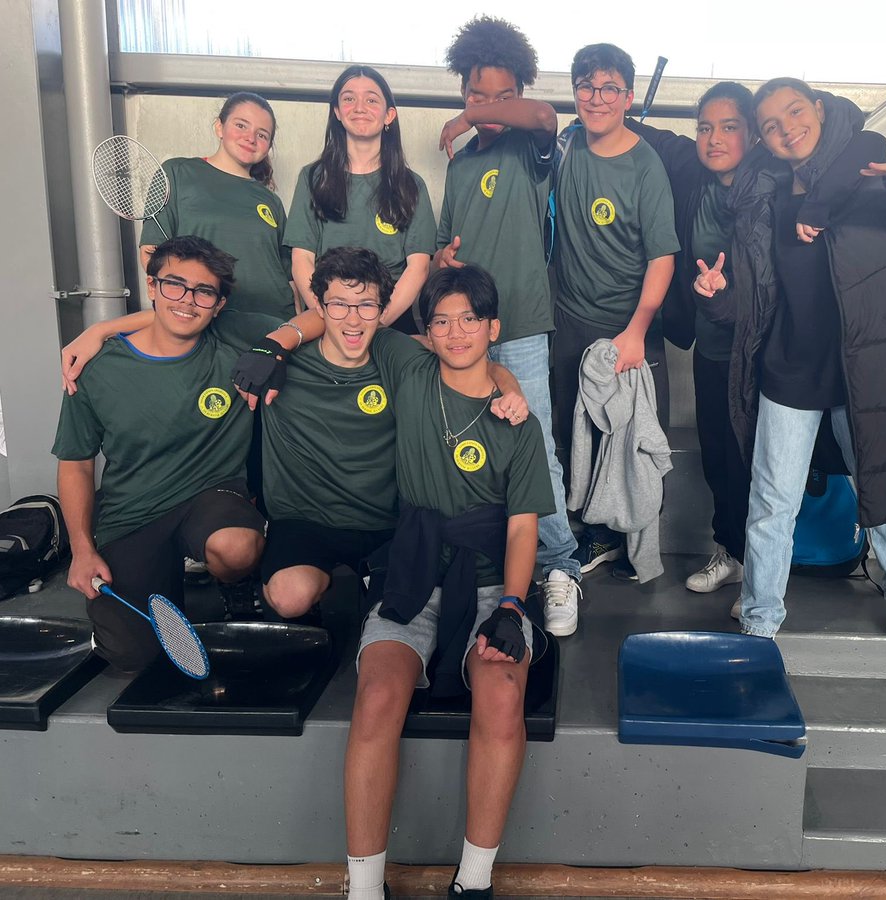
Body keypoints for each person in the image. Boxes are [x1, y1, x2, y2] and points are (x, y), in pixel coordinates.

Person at [706, 78, 886, 641]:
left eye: (794, 111)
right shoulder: (763, 200)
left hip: (866, 371)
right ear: (764, 139)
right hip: (789, 371)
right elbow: (760, 297)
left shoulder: (876, 182)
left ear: (818, 107)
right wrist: (715, 296)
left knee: (880, 485)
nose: (787, 128)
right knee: (771, 500)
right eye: (770, 125)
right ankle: (762, 615)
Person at [343, 266, 553, 900]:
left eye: (470, 319)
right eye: (441, 321)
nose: (456, 331)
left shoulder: (520, 424)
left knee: (499, 697)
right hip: (413, 575)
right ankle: (363, 888)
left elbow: (522, 531)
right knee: (378, 696)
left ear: (493, 327)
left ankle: (474, 881)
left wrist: (513, 607)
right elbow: (343, 315)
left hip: (492, 585)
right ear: (426, 333)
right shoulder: (410, 375)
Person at [52, 236, 319, 670]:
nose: (188, 301)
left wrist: (275, 345)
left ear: (220, 303)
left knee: (236, 549)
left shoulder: (233, 335)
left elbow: (319, 315)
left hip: (211, 496)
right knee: (131, 655)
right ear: (152, 286)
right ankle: (156, 586)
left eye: (204, 292)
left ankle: (232, 583)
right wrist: (82, 550)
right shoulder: (97, 369)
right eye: (174, 285)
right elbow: (76, 464)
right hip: (131, 512)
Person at [253, 247, 529, 624]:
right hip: (306, 520)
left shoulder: (395, 353)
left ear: (382, 312)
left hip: (385, 522)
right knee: (289, 597)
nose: (352, 319)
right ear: (318, 305)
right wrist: (273, 343)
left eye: (366, 305)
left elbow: (478, 361)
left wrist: (510, 390)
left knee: (403, 616)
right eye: (338, 305)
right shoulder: (282, 358)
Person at [434, 16, 583, 637]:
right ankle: (489, 560)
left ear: (518, 94)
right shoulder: (462, 164)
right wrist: (444, 260)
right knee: (465, 445)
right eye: (474, 95)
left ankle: (560, 566)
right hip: (461, 329)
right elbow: (444, 242)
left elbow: (547, 118)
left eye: (502, 95)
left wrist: (476, 115)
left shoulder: (530, 147)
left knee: (532, 443)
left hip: (518, 324)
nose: (486, 107)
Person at [551, 42, 679, 576]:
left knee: (632, 440)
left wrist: (637, 332)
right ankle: (580, 535)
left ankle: (623, 538)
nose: (596, 98)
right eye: (586, 86)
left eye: (608, 88)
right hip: (568, 318)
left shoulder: (645, 164)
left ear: (628, 96)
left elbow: (662, 257)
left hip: (627, 327)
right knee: (567, 430)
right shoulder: (564, 147)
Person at [626, 81, 756, 594]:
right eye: (705, 127)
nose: (714, 138)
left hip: (761, 354)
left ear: (753, 134)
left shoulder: (769, 181)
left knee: (756, 465)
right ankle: (732, 551)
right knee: (718, 457)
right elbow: (648, 133)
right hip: (710, 347)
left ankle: (762, 569)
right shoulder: (692, 172)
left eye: (729, 127)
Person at [286, 65, 435, 334]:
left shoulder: (411, 185)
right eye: (348, 98)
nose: (359, 107)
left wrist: (376, 321)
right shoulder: (312, 178)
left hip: (390, 320)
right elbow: (302, 260)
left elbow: (418, 267)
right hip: (327, 316)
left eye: (371, 99)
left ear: (389, 115)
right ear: (337, 112)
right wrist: (327, 315)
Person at [139, 92, 297, 319]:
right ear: (219, 127)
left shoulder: (270, 200)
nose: (250, 138)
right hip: (206, 320)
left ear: (268, 146)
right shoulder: (177, 172)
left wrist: (294, 329)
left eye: (261, 134)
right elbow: (151, 253)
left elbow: (288, 277)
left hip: (272, 321)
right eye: (241, 125)